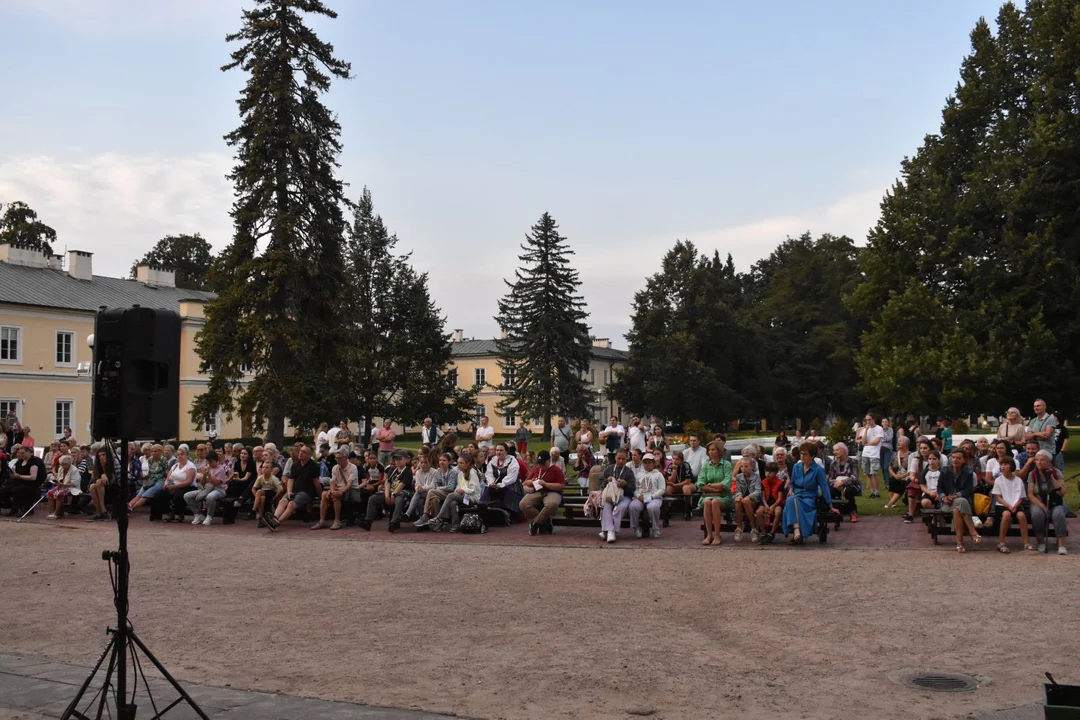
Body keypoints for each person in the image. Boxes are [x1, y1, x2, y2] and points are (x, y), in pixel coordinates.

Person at [781, 443, 832, 544]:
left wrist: (830, 505)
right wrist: (791, 489)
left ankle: (797, 533)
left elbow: (824, 488)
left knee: (792, 501)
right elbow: (792, 483)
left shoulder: (818, 470)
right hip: (797, 495)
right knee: (791, 499)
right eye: (801, 454)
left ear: (812, 456)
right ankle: (797, 533)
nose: (802, 456)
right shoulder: (797, 467)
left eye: (805, 454)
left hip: (809, 497)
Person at [939, 448, 981, 553]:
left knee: (958, 509)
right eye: (953, 457)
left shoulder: (969, 472)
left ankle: (960, 543)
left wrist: (956, 495)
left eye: (958, 458)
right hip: (947, 503)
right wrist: (944, 497)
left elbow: (969, 490)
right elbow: (939, 488)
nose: (955, 460)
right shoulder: (944, 470)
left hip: (963, 503)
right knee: (960, 503)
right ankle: (973, 532)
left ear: (964, 460)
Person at [1027, 450, 1068, 555]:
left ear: (1049, 462)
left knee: (1058, 513)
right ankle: (1041, 542)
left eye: (1042, 460)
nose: (1039, 462)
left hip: (1056, 501)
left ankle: (1062, 545)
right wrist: (1043, 507)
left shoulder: (1056, 472)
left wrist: (1051, 477)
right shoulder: (1032, 474)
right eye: (1037, 460)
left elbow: (1062, 492)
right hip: (1039, 501)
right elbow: (1031, 495)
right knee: (1037, 514)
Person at [361, 451, 414, 532]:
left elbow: (402, 485)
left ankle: (394, 522)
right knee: (373, 498)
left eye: (400, 459)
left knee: (399, 499)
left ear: (406, 460)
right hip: (391, 491)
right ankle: (368, 522)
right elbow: (387, 482)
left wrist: (393, 495)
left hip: (403, 492)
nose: (398, 461)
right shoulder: (392, 469)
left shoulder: (407, 471)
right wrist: (386, 496)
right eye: (396, 459)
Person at [431, 453, 482, 532]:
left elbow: (474, 489)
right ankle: (456, 524)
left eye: (461, 463)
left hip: (472, 498)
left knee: (451, 496)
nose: (458, 465)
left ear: (468, 464)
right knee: (453, 502)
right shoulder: (460, 474)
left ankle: (440, 517)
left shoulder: (472, 473)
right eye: (458, 463)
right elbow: (458, 486)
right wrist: (458, 490)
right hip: (463, 497)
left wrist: (463, 490)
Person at [518, 450, 566, 535]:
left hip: (552, 492)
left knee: (551, 504)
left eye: (543, 464)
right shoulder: (537, 469)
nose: (541, 466)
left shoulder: (556, 469)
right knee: (523, 504)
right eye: (540, 464)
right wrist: (532, 482)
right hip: (537, 491)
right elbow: (525, 482)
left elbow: (561, 486)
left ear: (549, 460)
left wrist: (546, 484)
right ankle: (544, 520)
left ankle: (535, 523)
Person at [991, 457, 1032, 553]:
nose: (1003, 466)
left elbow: (1021, 497)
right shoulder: (998, 480)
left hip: (1016, 504)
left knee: (1021, 515)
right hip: (1002, 505)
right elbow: (999, 497)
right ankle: (1001, 542)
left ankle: (1026, 542)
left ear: (1011, 466)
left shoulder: (1018, 480)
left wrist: (1015, 506)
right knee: (1006, 515)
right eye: (1002, 465)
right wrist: (1009, 506)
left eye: (1006, 464)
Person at [312, 447, 359, 531]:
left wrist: (340, 492)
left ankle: (337, 521)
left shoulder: (353, 468)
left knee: (336, 496)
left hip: (350, 491)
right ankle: (322, 521)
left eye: (339, 458)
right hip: (338, 488)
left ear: (345, 458)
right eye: (336, 458)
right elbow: (332, 482)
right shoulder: (335, 468)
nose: (337, 460)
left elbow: (349, 484)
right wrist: (332, 490)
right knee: (324, 494)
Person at [274, 445, 320, 526]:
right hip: (294, 490)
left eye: (304, 452)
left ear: (309, 455)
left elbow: (316, 482)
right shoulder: (295, 465)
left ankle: (277, 522)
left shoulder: (313, 466)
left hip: (306, 492)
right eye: (300, 451)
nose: (301, 453)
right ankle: (274, 518)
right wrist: (289, 492)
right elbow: (291, 480)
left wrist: (320, 494)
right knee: (282, 501)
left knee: (291, 504)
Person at [698, 441, 734, 546]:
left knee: (715, 502)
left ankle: (717, 535)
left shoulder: (726, 464)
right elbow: (700, 483)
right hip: (708, 495)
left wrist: (710, 484)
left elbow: (726, 483)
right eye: (709, 450)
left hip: (724, 496)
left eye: (713, 449)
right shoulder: (706, 465)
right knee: (707, 502)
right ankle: (709, 535)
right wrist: (715, 489)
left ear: (718, 451)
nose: (711, 452)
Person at [599, 448, 635, 543]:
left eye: (623, 459)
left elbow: (633, 489)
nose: (621, 461)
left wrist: (625, 484)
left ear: (626, 459)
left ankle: (607, 531)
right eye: (619, 458)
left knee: (619, 508)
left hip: (624, 497)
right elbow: (600, 482)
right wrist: (607, 481)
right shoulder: (609, 469)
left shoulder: (629, 472)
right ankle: (610, 531)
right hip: (610, 496)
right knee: (605, 506)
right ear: (615, 458)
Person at [415, 453, 459, 528]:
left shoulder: (452, 473)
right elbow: (436, 484)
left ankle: (425, 514)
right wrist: (438, 488)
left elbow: (451, 487)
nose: (441, 462)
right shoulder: (438, 472)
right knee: (434, 499)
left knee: (431, 491)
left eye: (444, 460)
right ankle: (439, 522)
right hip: (441, 493)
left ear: (449, 462)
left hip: (451, 494)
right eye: (440, 460)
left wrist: (438, 488)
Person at [628, 453, 666, 539]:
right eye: (645, 463)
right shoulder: (639, 474)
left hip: (654, 497)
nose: (647, 465)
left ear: (653, 463)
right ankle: (636, 528)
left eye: (649, 462)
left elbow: (662, 489)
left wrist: (653, 496)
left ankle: (655, 528)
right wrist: (638, 496)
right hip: (641, 496)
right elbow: (635, 488)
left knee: (652, 508)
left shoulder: (658, 474)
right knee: (633, 506)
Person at [186, 450, 228, 526]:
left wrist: (209, 474)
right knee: (187, 496)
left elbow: (216, 483)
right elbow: (202, 483)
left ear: (216, 460)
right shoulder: (207, 467)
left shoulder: (221, 469)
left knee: (210, 497)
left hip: (218, 490)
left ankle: (209, 516)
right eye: (208, 461)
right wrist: (204, 475)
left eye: (211, 461)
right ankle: (198, 515)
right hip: (206, 489)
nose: (209, 463)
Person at [2, 445, 46, 516]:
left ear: (29, 453)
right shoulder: (20, 461)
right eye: (19, 453)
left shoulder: (34, 462)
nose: (20, 455)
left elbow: (33, 477)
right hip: (20, 481)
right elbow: (17, 473)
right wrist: (13, 475)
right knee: (5, 488)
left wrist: (19, 476)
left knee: (16, 490)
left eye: (23, 453)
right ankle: (14, 507)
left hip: (32, 483)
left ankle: (24, 508)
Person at [157, 445, 197, 523]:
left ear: (187, 455)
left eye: (182, 454)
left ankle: (179, 514)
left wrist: (174, 486)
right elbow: (168, 477)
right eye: (178, 455)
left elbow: (189, 481)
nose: (180, 456)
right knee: (160, 495)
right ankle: (169, 512)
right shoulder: (175, 466)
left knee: (178, 495)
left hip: (187, 487)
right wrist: (166, 484)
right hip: (174, 486)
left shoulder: (190, 466)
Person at [827, 442, 861, 523]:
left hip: (851, 485)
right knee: (829, 490)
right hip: (836, 485)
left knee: (849, 491)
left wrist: (843, 482)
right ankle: (833, 511)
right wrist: (835, 482)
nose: (835, 452)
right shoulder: (833, 463)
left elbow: (855, 477)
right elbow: (830, 478)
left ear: (844, 450)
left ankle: (853, 512)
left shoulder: (853, 462)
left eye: (837, 450)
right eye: (834, 450)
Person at [484, 442, 523, 514]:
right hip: (495, 483)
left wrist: (501, 484)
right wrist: (491, 483)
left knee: (507, 491)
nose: (498, 452)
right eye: (497, 450)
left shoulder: (512, 461)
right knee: (487, 490)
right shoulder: (493, 461)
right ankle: (489, 512)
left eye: (501, 450)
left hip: (510, 483)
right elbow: (489, 474)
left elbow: (512, 477)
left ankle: (508, 513)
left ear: (506, 451)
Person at [732, 456, 762, 542]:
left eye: (746, 466)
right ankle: (739, 527)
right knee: (738, 502)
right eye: (741, 466)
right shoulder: (738, 477)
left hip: (753, 500)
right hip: (742, 500)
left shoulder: (756, 477)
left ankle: (753, 529)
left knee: (746, 502)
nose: (743, 468)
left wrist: (749, 496)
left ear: (752, 467)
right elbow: (737, 490)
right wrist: (739, 495)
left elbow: (758, 491)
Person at [86, 446, 119, 522]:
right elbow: (94, 478)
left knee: (99, 481)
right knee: (92, 486)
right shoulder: (98, 464)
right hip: (102, 487)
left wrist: (105, 469)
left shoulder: (115, 463)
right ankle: (99, 513)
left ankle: (103, 511)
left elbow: (112, 480)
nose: (101, 457)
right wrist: (101, 468)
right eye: (100, 455)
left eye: (103, 455)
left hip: (115, 487)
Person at [756, 462, 786, 544]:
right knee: (759, 512)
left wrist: (773, 506)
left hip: (776, 502)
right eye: (766, 471)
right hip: (765, 501)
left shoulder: (780, 483)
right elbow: (762, 496)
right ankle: (763, 532)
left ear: (775, 473)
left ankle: (772, 533)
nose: (768, 474)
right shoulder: (763, 482)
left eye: (770, 472)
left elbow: (780, 498)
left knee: (778, 512)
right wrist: (765, 505)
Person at [45, 454, 81, 519]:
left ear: (69, 463)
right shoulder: (61, 468)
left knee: (60, 494)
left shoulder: (74, 470)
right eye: (62, 464)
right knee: (50, 493)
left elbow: (74, 483)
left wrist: (63, 485)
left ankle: (56, 513)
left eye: (65, 464)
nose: (63, 466)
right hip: (62, 485)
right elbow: (59, 477)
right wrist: (57, 482)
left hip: (71, 487)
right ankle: (52, 512)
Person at [664, 449, 696, 521]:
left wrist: (676, 485)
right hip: (675, 484)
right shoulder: (670, 466)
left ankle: (688, 511)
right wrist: (674, 470)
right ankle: (667, 511)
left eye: (677, 459)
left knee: (686, 488)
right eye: (673, 459)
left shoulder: (686, 465)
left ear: (681, 460)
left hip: (687, 484)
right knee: (668, 489)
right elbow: (671, 480)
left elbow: (688, 481)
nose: (675, 461)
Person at [858, 413, 884, 500]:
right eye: (866, 420)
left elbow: (876, 441)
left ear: (874, 419)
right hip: (865, 453)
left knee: (874, 473)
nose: (868, 421)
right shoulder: (865, 429)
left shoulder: (879, 428)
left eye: (869, 419)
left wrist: (867, 444)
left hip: (874, 454)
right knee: (868, 473)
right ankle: (872, 491)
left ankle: (877, 492)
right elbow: (863, 441)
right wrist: (866, 430)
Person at [406, 452, 439, 521]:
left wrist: (422, 488)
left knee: (418, 493)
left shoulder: (435, 472)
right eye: (421, 462)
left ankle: (408, 514)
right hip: (422, 493)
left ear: (430, 463)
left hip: (432, 493)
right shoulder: (418, 472)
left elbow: (433, 486)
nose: (423, 464)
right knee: (419, 501)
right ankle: (422, 519)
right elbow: (417, 485)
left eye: (425, 462)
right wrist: (418, 488)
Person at [252, 460, 284, 529]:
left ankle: (253, 510)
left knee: (259, 491)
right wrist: (257, 497)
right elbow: (253, 489)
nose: (264, 469)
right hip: (263, 494)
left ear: (271, 470)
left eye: (267, 468)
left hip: (271, 493)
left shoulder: (273, 478)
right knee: (262, 498)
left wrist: (275, 497)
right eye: (263, 467)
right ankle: (261, 518)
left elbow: (281, 489)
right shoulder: (260, 477)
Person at [885, 436, 915, 511]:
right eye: (898, 441)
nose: (898, 442)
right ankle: (893, 502)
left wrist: (902, 476)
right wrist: (895, 475)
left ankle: (890, 503)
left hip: (907, 475)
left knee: (902, 484)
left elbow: (912, 469)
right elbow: (890, 467)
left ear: (906, 444)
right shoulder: (895, 454)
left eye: (901, 441)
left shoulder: (911, 455)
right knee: (892, 480)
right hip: (897, 475)